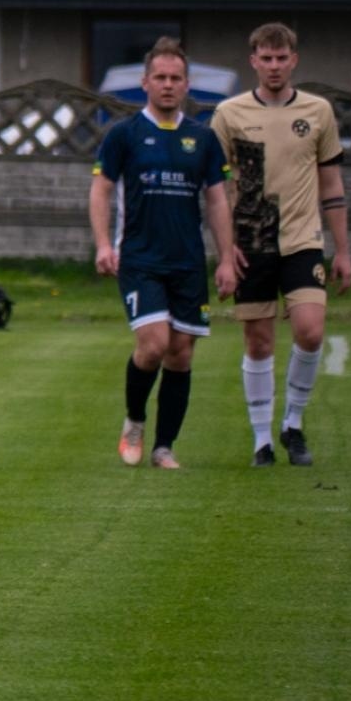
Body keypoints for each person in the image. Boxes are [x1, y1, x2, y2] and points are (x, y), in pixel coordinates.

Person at [89, 38, 237, 469]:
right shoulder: (124, 135)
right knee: (154, 345)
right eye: (160, 77)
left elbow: (217, 200)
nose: (168, 85)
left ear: (187, 84)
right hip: (139, 259)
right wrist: (103, 244)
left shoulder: (203, 138)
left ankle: (163, 448)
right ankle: (135, 420)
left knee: (181, 352)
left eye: (176, 78)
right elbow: (100, 190)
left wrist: (227, 258)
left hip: (187, 261)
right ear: (145, 83)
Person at [210, 23, 351, 467]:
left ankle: (292, 422)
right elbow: (215, 190)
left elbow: (332, 184)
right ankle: (261, 440)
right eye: (266, 58)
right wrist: (225, 251)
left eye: (281, 57)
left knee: (310, 330)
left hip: (303, 240)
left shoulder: (318, 111)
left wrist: (343, 250)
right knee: (259, 342)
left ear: (294, 60)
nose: (274, 66)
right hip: (251, 242)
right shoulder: (228, 114)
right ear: (253, 61)